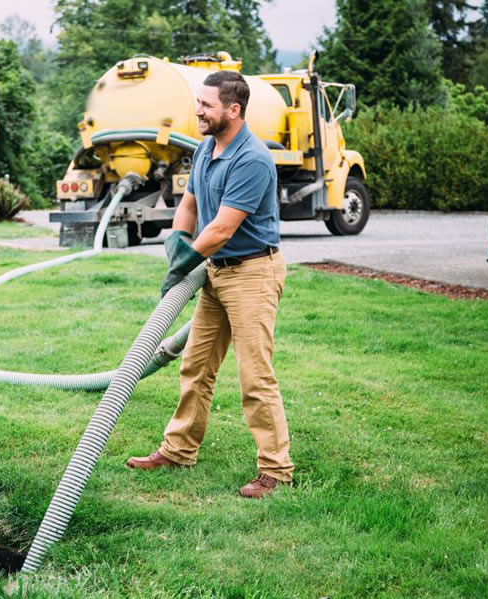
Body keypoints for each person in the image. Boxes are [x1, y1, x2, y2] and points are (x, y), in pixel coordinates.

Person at [126, 70, 293, 499]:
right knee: (196, 365)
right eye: (198, 102)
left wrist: (187, 259)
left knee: (255, 376)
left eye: (206, 104)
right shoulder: (205, 149)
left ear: (233, 110)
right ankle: (179, 450)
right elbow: (191, 205)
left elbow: (221, 228)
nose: (197, 110)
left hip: (253, 272)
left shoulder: (252, 158)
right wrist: (178, 241)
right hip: (217, 272)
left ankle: (276, 469)